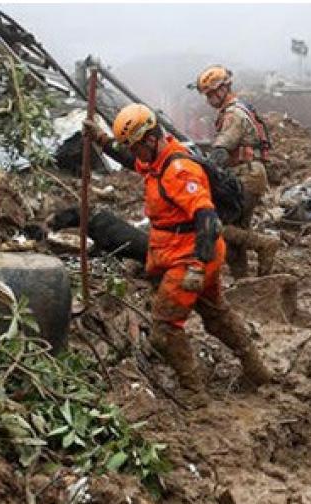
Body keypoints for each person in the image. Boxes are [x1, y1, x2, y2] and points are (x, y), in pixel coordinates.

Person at [84, 103, 273, 407]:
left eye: (135, 146)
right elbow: (134, 162)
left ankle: (193, 391)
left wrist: (197, 267)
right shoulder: (157, 157)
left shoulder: (179, 171)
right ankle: (257, 370)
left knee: (165, 329)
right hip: (187, 253)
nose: (135, 154)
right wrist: (102, 140)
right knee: (216, 315)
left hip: (191, 257)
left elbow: (208, 219)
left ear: (149, 138)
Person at [194, 65, 281, 278]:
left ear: (223, 89)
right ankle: (244, 283)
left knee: (219, 226)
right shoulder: (240, 108)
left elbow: (222, 150)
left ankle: (264, 244)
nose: (210, 99)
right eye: (207, 95)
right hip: (249, 173)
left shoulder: (233, 114)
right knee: (236, 234)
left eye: (212, 94)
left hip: (245, 175)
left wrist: (203, 171)